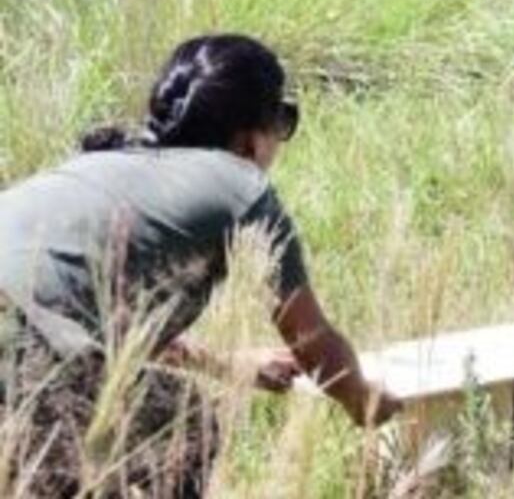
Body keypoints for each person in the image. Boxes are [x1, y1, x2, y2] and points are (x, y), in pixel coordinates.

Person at [0, 34, 401, 497]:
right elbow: (312, 342)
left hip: (27, 336)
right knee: (187, 426)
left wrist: (227, 364)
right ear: (251, 138)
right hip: (24, 345)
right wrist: (363, 400)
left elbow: (98, 323)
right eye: (283, 120)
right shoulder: (240, 185)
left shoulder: (107, 166)